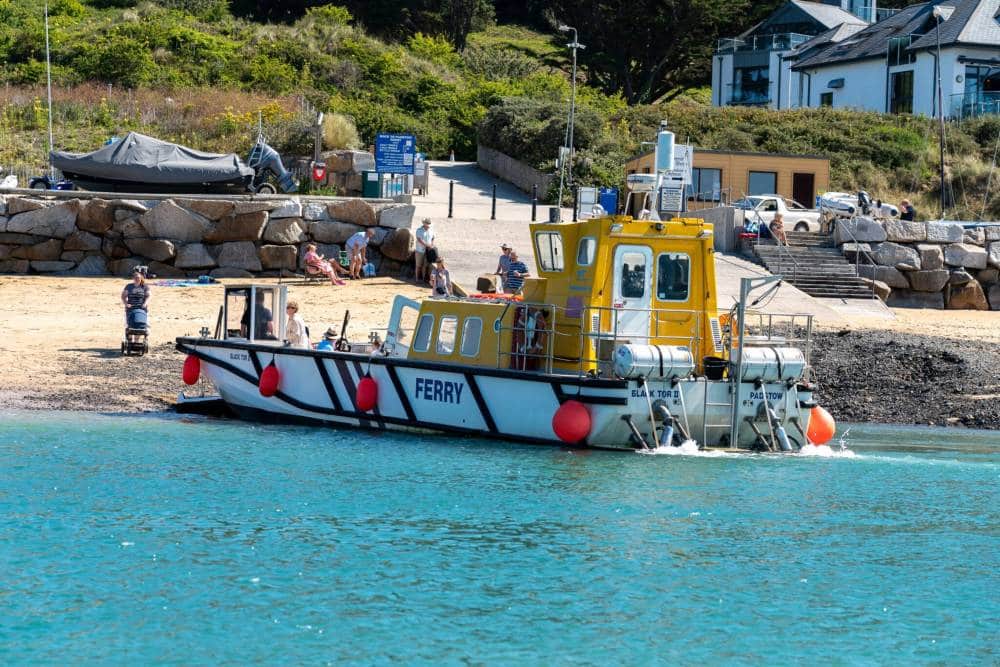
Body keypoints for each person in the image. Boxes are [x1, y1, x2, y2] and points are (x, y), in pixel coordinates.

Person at [121, 268, 150, 342]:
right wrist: (126, 304)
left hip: (142, 308)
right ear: (133, 278)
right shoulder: (129, 286)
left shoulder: (145, 286)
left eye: (139, 278)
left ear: (141, 278)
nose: (137, 279)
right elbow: (123, 296)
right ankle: (130, 341)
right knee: (130, 325)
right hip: (131, 308)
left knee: (140, 325)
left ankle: (136, 341)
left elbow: (148, 296)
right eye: (136, 278)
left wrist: (145, 303)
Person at [414, 218, 435, 284]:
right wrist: (427, 245)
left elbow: (433, 238)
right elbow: (419, 240)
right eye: (427, 223)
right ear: (424, 224)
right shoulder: (419, 230)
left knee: (425, 265)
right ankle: (417, 279)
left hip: (428, 250)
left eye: (429, 224)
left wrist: (431, 244)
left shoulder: (431, 231)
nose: (428, 225)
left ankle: (423, 279)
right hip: (419, 250)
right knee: (418, 265)